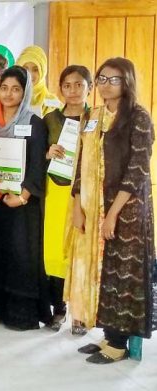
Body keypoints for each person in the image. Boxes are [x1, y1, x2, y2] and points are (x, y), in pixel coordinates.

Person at [72, 58, 155, 364]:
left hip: (127, 210)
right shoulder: (93, 115)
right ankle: (109, 333)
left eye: (114, 80)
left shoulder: (138, 118)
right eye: (102, 79)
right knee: (102, 271)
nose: (106, 85)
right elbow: (81, 163)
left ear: (128, 82)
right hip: (95, 206)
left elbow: (137, 172)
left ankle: (119, 343)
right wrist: (78, 206)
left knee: (123, 272)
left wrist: (113, 213)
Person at [0, 66, 51, 329]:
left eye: (16, 89)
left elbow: (37, 165)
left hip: (21, 202)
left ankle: (20, 315)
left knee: (21, 254)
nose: (9, 94)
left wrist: (23, 195)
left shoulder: (34, 123)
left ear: (25, 92)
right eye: (4, 87)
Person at [42, 65, 92, 334]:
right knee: (54, 252)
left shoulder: (97, 118)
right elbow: (36, 156)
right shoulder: (49, 119)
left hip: (85, 194)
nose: (73, 91)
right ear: (60, 88)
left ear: (89, 88)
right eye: (67, 85)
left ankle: (81, 313)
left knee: (80, 251)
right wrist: (48, 153)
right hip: (56, 190)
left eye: (79, 85)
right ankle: (59, 309)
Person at [16, 46, 62, 117]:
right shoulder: (9, 98)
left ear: (42, 72)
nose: (30, 74)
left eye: (35, 70)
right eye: (25, 69)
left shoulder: (52, 102)